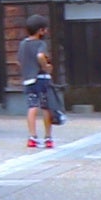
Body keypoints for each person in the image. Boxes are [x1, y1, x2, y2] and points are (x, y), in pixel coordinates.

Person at [18, 17, 60, 149]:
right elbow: (40, 56)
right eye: (45, 29)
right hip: (41, 78)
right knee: (46, 107)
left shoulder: (23, 44)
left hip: (29, 79)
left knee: (32, 107)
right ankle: (48, 138)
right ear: (40, 31)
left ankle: (32, 137)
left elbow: (20, 61)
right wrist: (46, 66)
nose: (46, 31)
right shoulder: (41, 43)